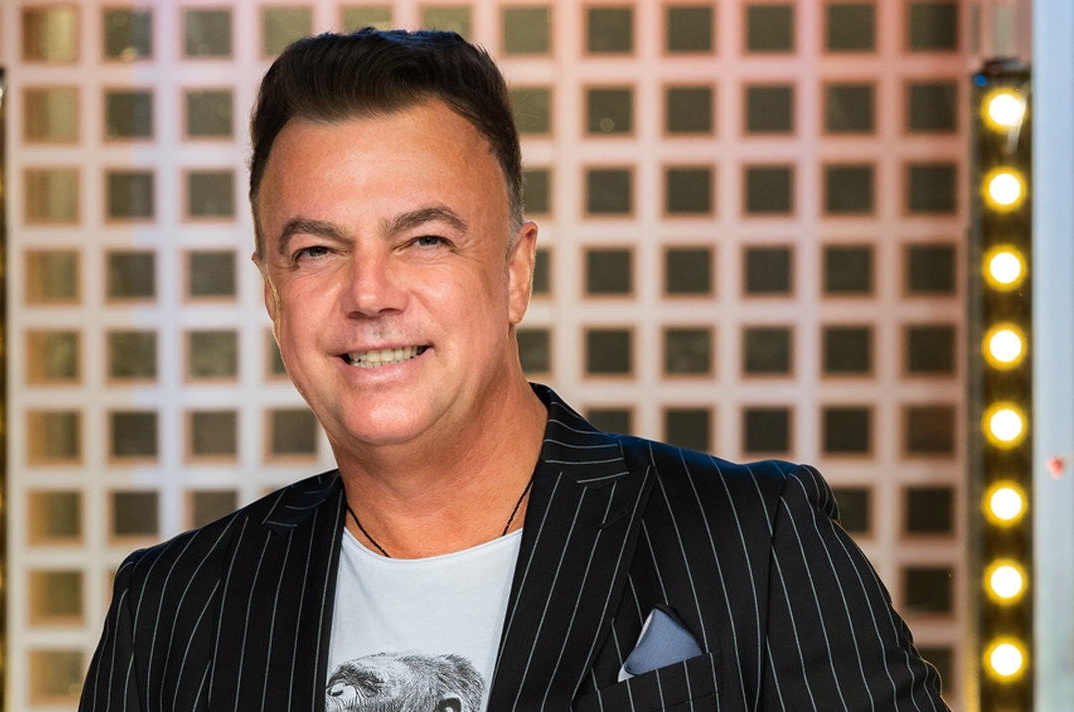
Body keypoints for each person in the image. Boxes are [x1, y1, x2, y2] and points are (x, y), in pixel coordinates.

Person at [79, 29, 950, 712]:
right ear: (273, 294)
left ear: (514, 272)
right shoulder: (173, 611)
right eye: (316, 251)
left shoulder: (753, 546)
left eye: (425, 240)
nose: (369, 294)